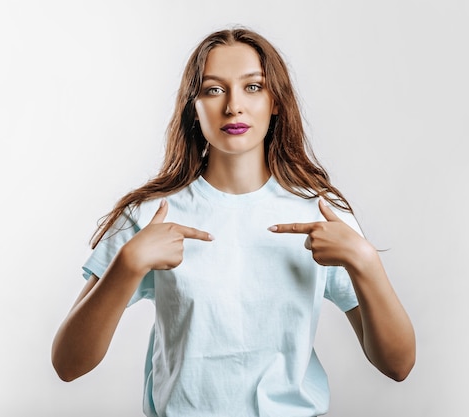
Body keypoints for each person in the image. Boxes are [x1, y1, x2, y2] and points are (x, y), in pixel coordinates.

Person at [52, 27, 415, 416]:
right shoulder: (149, 214)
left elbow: (397, 366)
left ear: (276, 100)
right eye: (213, 89)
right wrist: (127, 265)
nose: (234, 107)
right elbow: (68, 364)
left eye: (253, 87)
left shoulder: (320, 214)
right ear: (193, 105)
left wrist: (365, 261)